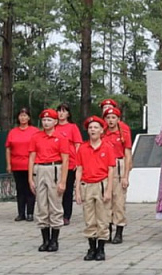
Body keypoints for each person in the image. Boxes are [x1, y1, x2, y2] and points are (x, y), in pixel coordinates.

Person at [29, 109, 70, 252]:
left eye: (49, 120)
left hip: (54, 168)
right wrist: (30, 178)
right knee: (41, 205)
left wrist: (63, 181)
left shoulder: (61, 137)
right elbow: (32, 157)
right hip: (39, 169)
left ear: (55, 122)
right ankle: (45, 239)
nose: (46, 122)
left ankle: (54, 239)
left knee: (55, 204)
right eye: (44, 120)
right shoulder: (36, 137)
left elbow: (65, 160)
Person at [75, 116, 116, 261]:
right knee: (89, 218)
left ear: (101, 130)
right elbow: (79, 169)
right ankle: (91, 248)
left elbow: (111, 170)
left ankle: (101, 248)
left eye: (96, 127)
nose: (93, 130)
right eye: (90, 127)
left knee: (103, 218)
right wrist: (77, 190)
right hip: (87, 185)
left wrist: (109, 189)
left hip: (101, 184)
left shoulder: (107, 147)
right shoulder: (82, 148)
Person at [102, 107, 132, 244]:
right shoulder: (102, 133)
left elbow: (127, 155)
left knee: (119, 201)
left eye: (113, 117)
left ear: (118, 119)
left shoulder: (123, 132)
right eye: (108, 118)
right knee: (106, 201)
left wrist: (126, 175)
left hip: (118, 166)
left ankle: (119, 231)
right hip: (105, 167)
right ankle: (107, 231)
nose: (110, 120)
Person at [5, 107, 39, 222]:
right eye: (21, 115)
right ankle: (21, 213)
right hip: (17, 164)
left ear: (29, 117)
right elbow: (8, 149)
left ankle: (30, 213)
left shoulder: (35, 131)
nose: (23, 118)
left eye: (25, 115)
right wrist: (9, 164)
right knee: (20, 189)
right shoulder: (13, 132)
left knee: (30, 189)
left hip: (30, 164)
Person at [54, 103, 82, 226]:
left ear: (68, 114)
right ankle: (56, 214)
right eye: (59, 111)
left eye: (63, 111)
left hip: (69, 163)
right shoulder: (53, 127)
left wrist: (77, 161)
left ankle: (66, 215)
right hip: (55, 163)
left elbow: (78, 145)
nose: (61, 113)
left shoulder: (72, 127)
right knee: (55, 190)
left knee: (67, 189)